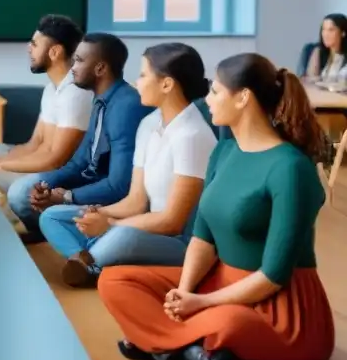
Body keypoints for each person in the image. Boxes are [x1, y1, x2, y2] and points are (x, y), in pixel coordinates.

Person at [98, 53, 334, 360]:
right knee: (114, 281)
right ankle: (194, 351)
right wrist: (185, 292)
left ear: (243, 98)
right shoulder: (223, 153)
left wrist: (202, 303)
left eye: (216, 92)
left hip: (278, 309)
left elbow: (273, 276)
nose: (206, 99)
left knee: (230, 323)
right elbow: (202, 239)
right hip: (217, 285)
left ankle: (167, 345)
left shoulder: (290, 168)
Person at [39, 43, 217, 287]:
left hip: (179, 242)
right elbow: (135, 201)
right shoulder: (149, 124)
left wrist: (110, 224)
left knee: (123, 235)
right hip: (142, 224)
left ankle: (92, 261)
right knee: (53, 216)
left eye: (144, 75)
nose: (137, 82)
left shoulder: (192, 135)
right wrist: (99, 213)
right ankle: (90, 261)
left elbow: (172, 222)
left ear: (166, 84)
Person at [6, 33, 150, 242]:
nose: (72, 67)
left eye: (79, 61)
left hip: (111, 199)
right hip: (90, 188)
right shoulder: (101, 100)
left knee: (47, 212)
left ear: (100, 68)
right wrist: (45, 186)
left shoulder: (126, 106)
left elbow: (119, 185)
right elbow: (80, 162)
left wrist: (66, 197)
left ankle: (82, 244)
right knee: (26, 192)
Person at [0, 14, 93, 207]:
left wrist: (4, 165)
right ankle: (1, 202)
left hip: (58, 178)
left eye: (35, 44)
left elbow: (55, 160)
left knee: (19, 192)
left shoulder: (76, 94)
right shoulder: (51, 89)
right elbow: (34, 144)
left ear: (54, 52)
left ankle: (9, 206)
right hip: (38, 164)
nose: (28, 48)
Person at [302, 13, 347, 82]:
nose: (325, 34)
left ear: (343, 33)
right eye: (323, 29)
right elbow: (309, 80)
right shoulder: (318, 51)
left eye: (331, 30)